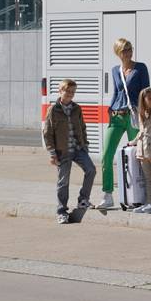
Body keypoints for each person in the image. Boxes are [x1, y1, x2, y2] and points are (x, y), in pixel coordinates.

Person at [96, 38, 149, 211]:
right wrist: (110, 108)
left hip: (133, 116)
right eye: (125, 50)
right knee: (106, 156)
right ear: (118, 52)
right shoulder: (115, 70)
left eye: (130, 49)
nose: (128, 52)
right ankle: (107, 194)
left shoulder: (140, 68)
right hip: (116, 116)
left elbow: (145, 92)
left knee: (138, 156)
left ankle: (141, 195)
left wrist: (145, 115)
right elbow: (117, 92)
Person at [42, 79, 95, 224]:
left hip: (78, 149)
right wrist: (52, 153)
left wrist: (85, 144)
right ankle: (61, 212)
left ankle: (83, 200)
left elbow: (82, 127)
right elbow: (47, 133)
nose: (70, 94)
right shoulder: (53, 110)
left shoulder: (77, 108)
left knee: (91, 170)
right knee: (63, 181)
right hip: (62, 151)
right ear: (60, 91)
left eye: (73, 92)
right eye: (67, 91)